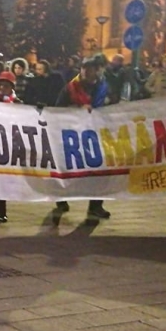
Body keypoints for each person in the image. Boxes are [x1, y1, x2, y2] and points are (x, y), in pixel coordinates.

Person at [54, 55, 111, 219]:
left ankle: (96, 205)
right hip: (73, 135)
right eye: (83, 68)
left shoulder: (104, 87)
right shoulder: (70, 88)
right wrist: (78, 108)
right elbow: (58, 109)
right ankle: (61, 198)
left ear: (97, 70)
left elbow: (115, 105)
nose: (86, 71)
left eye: (90, 68)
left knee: (99, 171)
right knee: (68, 169)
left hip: (97, 134)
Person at [0, 71, 21, 223]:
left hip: (10, 143)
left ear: (11, 88)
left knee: (5, 177)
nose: (1, 88)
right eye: (0, 85)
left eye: (5, 85)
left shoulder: (19, 104)